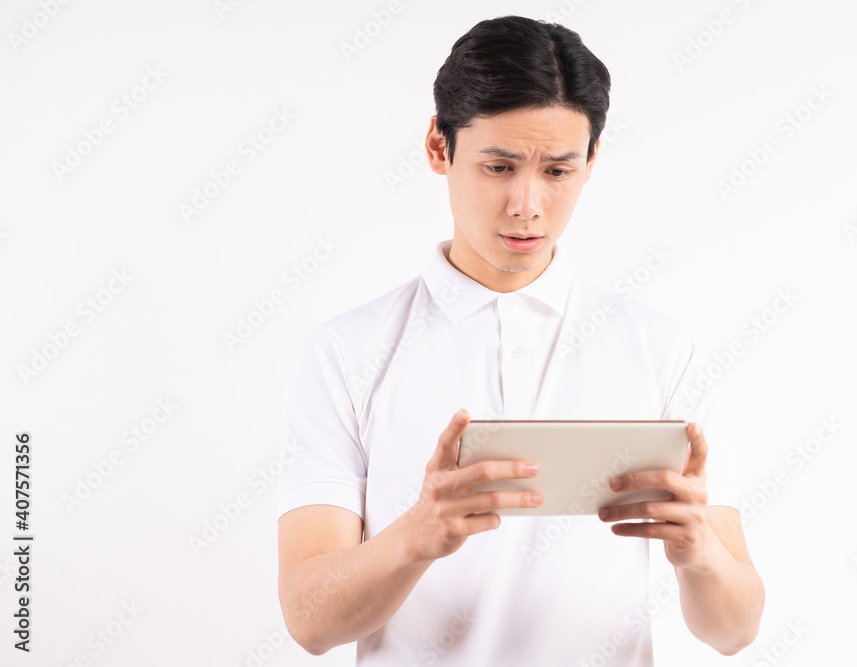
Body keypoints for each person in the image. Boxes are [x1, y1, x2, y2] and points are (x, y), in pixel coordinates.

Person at [276, 15, 764, 665]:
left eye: (558, 171)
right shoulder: (348, 351)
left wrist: (699, 551)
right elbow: (309, 622)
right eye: (500, 165)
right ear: (438, 147)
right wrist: (416, 535)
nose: (527, 204)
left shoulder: (661, 350)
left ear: (592, 161)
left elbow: (735, 630)